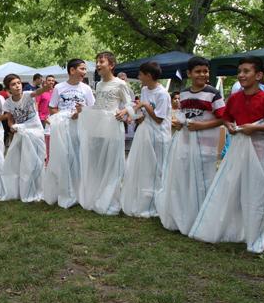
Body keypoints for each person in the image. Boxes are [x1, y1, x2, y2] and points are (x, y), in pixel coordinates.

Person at [189, 56, 264, 253]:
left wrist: (256, 128)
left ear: (258, 75)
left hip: (260, 149)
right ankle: (231, 228)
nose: (241, 75)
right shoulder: (235, 98)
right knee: (232, 187)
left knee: (259, 190)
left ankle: (256, 234)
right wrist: (230, 126)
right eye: (240, 71)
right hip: (239, 148)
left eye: (246, 71)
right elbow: (226, 118)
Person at [156, 57, 225, 234]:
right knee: (185, 178)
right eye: (198, 71)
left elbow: (223, 118)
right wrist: (179, 123)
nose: (202, 74)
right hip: (185, 143)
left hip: (206, 145)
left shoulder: (213, 93)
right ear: (189, 73)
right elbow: (184, 115)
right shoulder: (184, 94)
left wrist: (202, 126)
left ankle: (203, 217)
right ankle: (185, 214)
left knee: (203, 180)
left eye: (205, 71)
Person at [78, 52, 133, 215]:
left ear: (111, 65)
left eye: (101, 61)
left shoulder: (120, 84)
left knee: (112, 162)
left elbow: (131, 104)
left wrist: (123, 112)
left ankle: (110, 198)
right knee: (99, 163)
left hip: (113, 127)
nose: (98, 65)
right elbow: (98, 107)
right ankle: (98, 195)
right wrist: (85, 110)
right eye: (97, 62)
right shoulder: (99, 85)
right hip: (99, 127)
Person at [116, 61, 171, 218]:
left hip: (160, 135)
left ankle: (159, 202)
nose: (139, 77)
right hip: (145, 133)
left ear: (148, 75)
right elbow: (146, 114)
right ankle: (145, 199)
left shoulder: (162, 94)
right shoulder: (145, 89)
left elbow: (159, 118)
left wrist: (145, 106)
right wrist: (138, 117)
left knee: (159, 168)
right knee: (145, 167)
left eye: (141, 74)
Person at [44, 59, 95, 208]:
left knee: (79, 158)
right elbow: (52, 108)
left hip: (80, 128)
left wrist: (80, 112)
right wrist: (65, 116)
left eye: (85, 69)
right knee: (64, 158)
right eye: (82, 69)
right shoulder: (59, 88)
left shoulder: (86, 89)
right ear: (72, 70)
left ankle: (80, 192)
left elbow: (92, 108)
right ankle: (65, 191)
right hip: (63, 129)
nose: (84, 72)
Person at [2, 73, 52, 202]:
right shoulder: (8, 103)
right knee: (24, 162)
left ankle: (39, 188)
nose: (17, 86)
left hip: (35, 132)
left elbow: (38, 92)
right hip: (22, 134)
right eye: (13, 84)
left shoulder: (28, 95)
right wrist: (12, 127)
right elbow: (10, 119)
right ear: (8, 89)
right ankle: (25, 188)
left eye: (18, 83)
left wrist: (45, 88)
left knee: (38, 161)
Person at [35, 75, 56, 164]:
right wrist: (37, 118)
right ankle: (42, 157)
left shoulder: (56, 92)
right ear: (45, 81)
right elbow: (36, 104)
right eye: (49, 80)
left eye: (52, 80)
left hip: (53, 119)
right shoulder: (41, 92)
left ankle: (50, 158)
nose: (51, 82)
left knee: (52, 140)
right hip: (42, 118)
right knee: (42, 139)